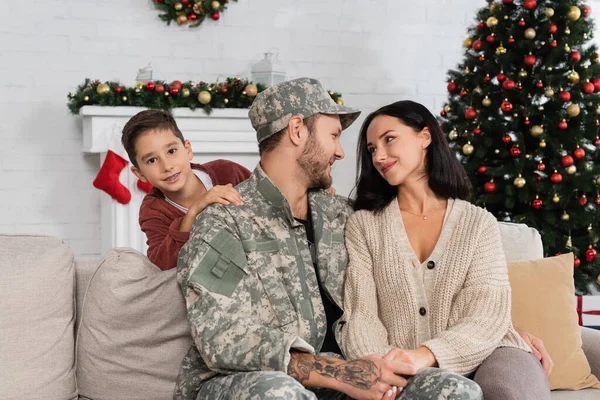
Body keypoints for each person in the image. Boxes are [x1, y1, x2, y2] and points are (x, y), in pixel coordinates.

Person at [174, 78, 484, 400]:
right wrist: (341, 373)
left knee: (453, 390)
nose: (339, 151)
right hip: (252, 383)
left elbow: (425, 278)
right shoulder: (225, 219)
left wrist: (505, 332)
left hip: (349, 380)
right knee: (280, 393)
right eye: (334, 135)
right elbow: (218, 335)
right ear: (297, 129)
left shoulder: (343, 215)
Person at [340, 100, 552, 400]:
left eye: (389, 139)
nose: (379, 156)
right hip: (397, 374)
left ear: (425, 137)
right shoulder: (364, 226)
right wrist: (387, 369)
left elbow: (486, 314)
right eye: (372, 149)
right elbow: (361, 317)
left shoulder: (477, 223)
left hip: (482, 357)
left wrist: (425, 355)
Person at [121, 109, 251, 270]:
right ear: (140, 173)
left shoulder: (228, 172)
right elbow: (161, 266)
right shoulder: (153, 211)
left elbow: (271, 204)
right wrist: (193, 212)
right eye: (152, 160)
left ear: (187, 150)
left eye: (171, 151)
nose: (167, 166)